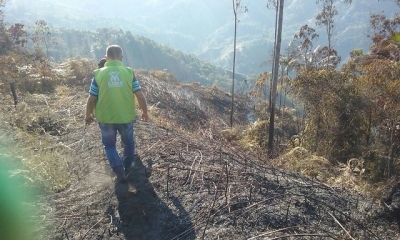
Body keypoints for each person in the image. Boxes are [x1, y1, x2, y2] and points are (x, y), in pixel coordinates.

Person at [85, 45, 148, 183]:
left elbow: (92, 98)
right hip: (125, 117)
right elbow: (140, 96)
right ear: (121, 58)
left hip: (105, 118)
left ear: (106, 58)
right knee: (129, 143)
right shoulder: (129, 73)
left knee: (109, 145)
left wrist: (88, 115)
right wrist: (145, 112)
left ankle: (119, 170)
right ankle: (127, 166)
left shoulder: (98, 74)